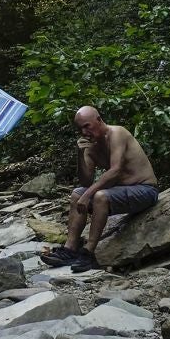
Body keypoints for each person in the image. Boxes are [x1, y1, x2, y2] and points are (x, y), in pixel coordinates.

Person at [41, 105, 159, 268]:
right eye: (80, 129)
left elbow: (116, 170)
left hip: (145, 190)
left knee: (100, 196)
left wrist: (88, 194)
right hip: (122, 192)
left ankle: (89, 253)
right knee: (77, 194)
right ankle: (70, 249)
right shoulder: (91, 146)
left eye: (87, 126)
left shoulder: (117, 133)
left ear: (98, 120)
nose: (84, 132)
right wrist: (81, 154)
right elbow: (86, 181)